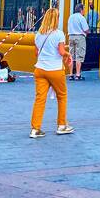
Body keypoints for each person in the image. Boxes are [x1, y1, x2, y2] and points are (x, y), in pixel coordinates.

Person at [30, 7, 74, 139]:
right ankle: (61, 125)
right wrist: (68, 54)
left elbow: (37, 53)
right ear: (56, 19)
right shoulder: (59, 34)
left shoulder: (38, 35)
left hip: (40, 69)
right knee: (62, 96)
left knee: (40, 99)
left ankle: (35, 129)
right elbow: (61, 52)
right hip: (55, 69)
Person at [67, 2, 90, 81]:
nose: (84, 11)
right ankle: (78, 74)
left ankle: (70, 74)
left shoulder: (71, 17)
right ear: (81, 9)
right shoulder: (81, 17)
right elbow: (86, 29)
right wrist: (88, 32)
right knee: (79, 56)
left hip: (71, 36)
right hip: (79, 37)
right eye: (84, 9)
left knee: (71, 56)